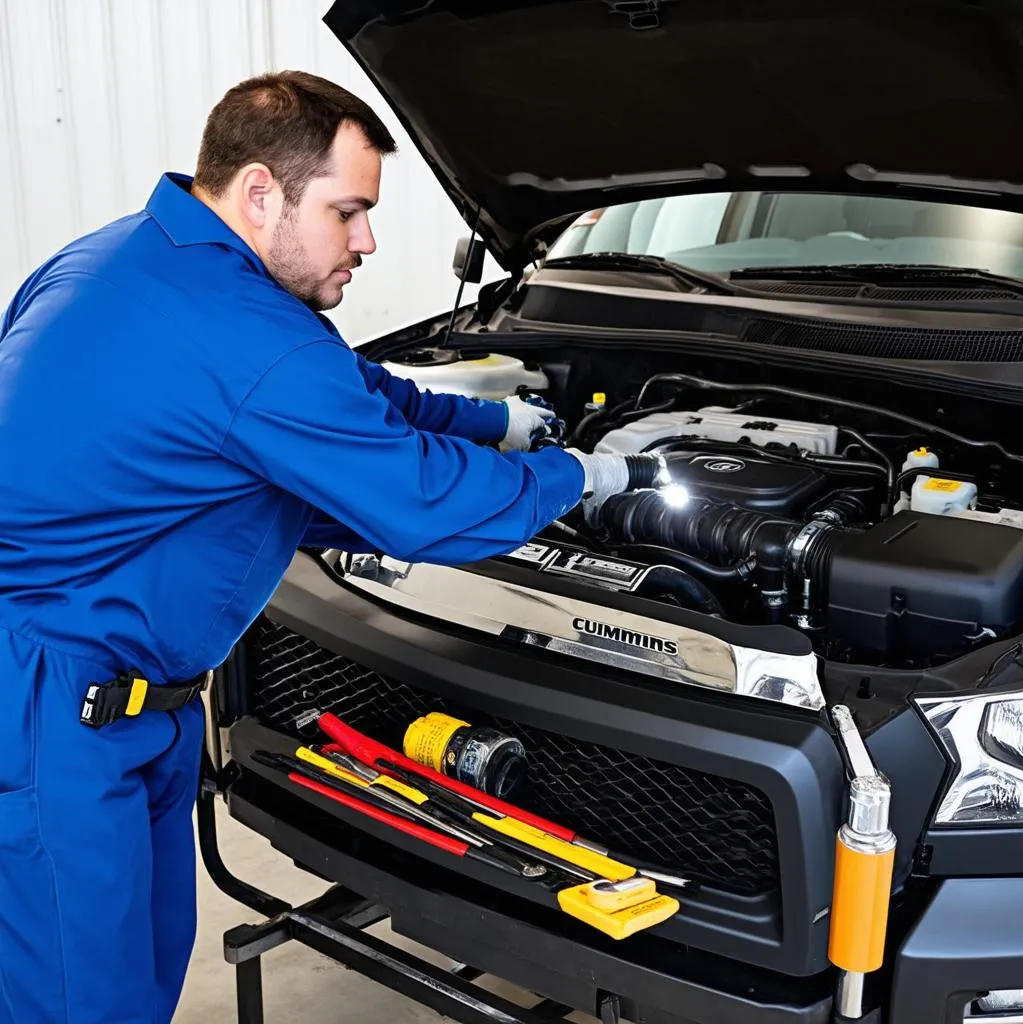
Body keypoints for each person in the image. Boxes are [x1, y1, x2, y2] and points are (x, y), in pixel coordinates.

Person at [0, 71, 645, 1023]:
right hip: (52, 709)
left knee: (135, 978)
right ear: (261, 193)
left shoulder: (119, 260)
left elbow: (353, 398)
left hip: (132, 702)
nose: (368, 240)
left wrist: (497, 424)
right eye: (348, 212)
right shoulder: (242, 336)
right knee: (77, 1001)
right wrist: (580, 480)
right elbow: (418, 505)